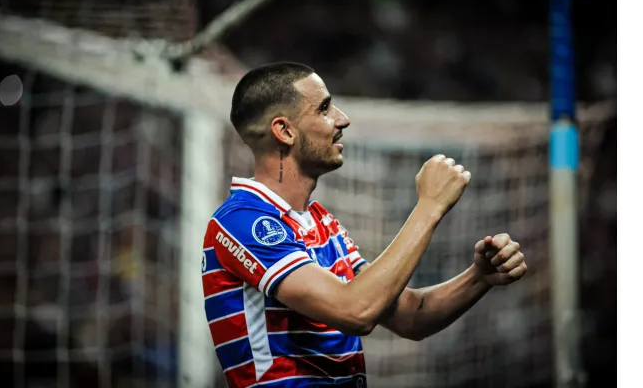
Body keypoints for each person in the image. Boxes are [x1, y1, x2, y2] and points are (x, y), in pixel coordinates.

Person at [201, 62, 528, 388]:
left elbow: (409, 316)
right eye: (325, 108)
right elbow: (356, 311)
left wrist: (479, 277)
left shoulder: (322, 224)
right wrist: (429, 207)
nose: (342, 119)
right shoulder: (241, 222)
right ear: (284, 131)